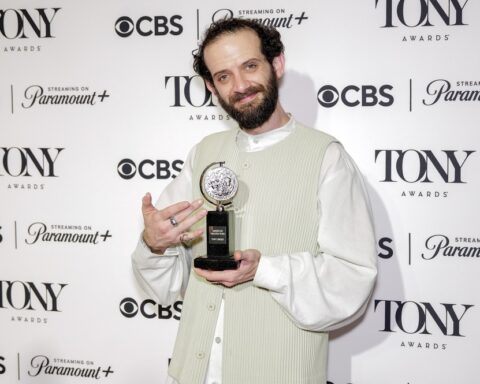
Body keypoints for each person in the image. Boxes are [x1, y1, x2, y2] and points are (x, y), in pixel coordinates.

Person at [132, 17, 377, 384]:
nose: (241, 85)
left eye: (249, 66)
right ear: (211, 87)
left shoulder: (326, 157)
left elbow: (352, 278)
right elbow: (164, 286)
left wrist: (264, 270)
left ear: (276, 64)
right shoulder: (203, 155)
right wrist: (154, 244)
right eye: (224, 76)